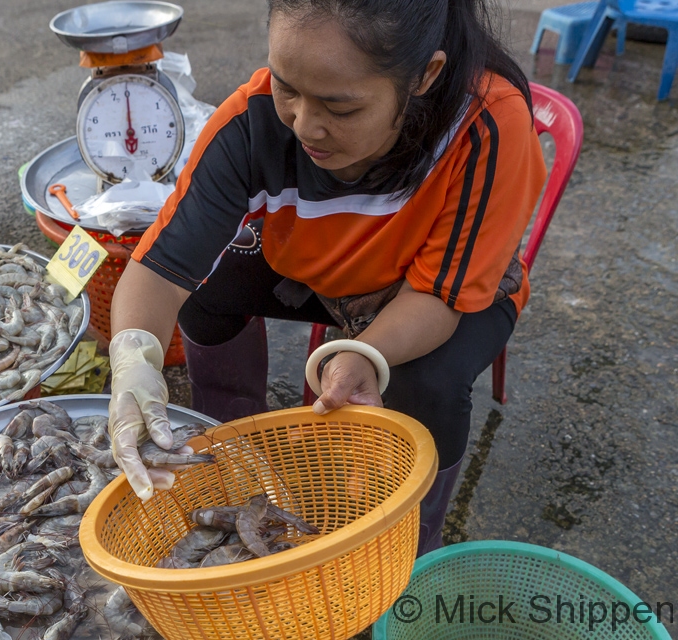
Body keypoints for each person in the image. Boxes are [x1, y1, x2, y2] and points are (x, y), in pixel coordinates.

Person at [107, 0, 546, 556]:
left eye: (340, 107)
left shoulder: (488, 125)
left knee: (428, 383)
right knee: (206, 289)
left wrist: (366, 353)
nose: (305, 125)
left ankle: (415, 540)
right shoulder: (251, 122)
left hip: (436, 295)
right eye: (288, 86)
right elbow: (159, 269)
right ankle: (233, 452)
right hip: (317, 272)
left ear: (424, 76)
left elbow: (439, 294)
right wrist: (132, 360)